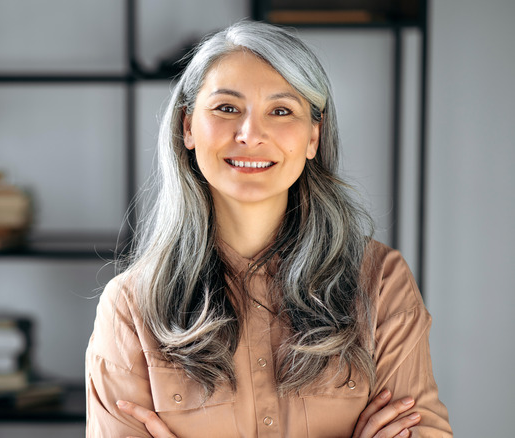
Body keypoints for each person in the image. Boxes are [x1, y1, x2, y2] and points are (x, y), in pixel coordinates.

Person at [86, 20, 451, 437]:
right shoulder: (131, 308)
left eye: (281, 111)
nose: (250, 134)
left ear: (314, 135)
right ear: (188, 126)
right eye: (226, 108)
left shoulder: (381, 281)